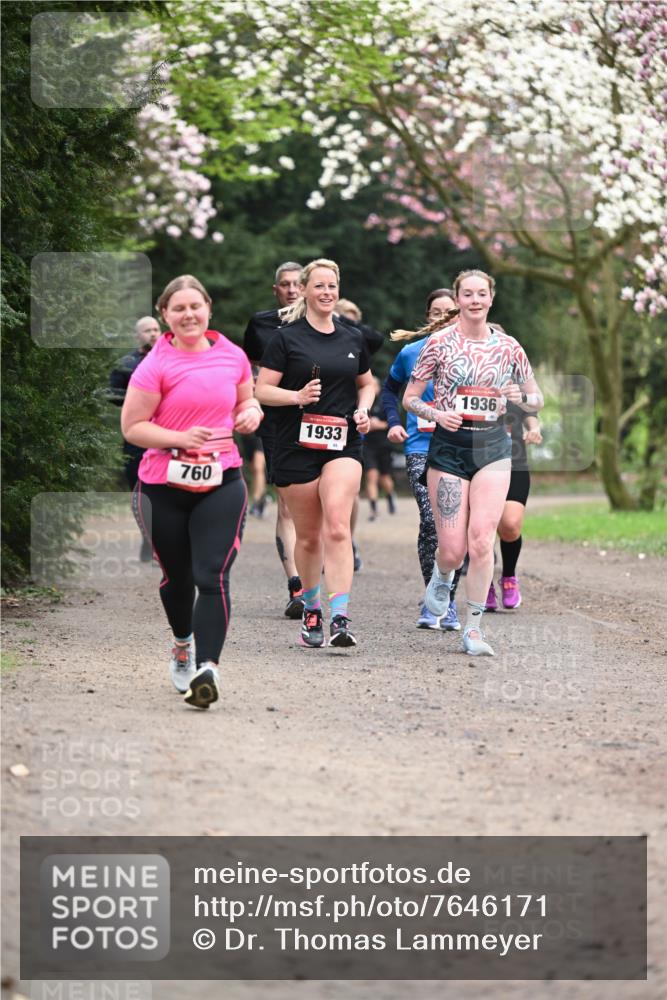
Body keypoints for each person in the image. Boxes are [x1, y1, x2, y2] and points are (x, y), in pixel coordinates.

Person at [121, 275, 262, 708]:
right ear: (166, 315)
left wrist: (251, 412)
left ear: (208, 308)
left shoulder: (232, 355)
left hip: (221, 481)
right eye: (178, 308)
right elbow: (133, 428)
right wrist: (178, 437)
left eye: (194, 306)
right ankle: (182, 643)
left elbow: (245, 401)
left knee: (213, 575)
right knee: (177, 580)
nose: (188, 315)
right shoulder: (155, 364)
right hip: (163, 487)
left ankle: (207, 669)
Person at [403, 269, 543, 657]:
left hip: (494, 448)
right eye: (468, 294)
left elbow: (536, 400)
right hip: (448, 448)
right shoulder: (439, 343)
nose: (476, 300)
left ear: (491, 299)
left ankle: (475, 629)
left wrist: (520, 396)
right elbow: (410, 397)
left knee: (481, 540)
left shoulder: (509, 347)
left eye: (482, 293)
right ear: (458, 299)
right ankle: (442, 576)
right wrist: (434, 413)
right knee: (452, 550)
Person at [255, 259, 374, 648]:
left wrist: (363, 408)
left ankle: (339, 616)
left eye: (332, 286)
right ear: (304, 290)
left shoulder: (352, 337)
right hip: (295, 444)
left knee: (337, 526)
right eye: (319, 286)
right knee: (308, 537)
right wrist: (297, 396)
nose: (327, 292)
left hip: (342, 443)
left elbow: (367, 383)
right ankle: (311, 609)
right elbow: (261, 390)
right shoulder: (285, 339)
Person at [382, 288, 462, 630]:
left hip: (462, 448)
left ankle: (447, 596)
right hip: (421, 446)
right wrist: (395, 423)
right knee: (432, 521)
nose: (442, 317)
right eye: (436, 312)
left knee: (458, 528)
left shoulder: (472, 354)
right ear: (427, 317)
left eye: (449, 311)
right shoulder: (411, 352)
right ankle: (437, 602)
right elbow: (389, 390)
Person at [243, 262, 305, 617]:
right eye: (285, 285)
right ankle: (296, 586)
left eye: (298, 284)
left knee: (320, 504)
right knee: (286, 503)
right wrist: (253, 397)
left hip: (320, 419)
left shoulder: (328, 322)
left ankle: (318, 564)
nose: (292, 290)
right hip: (277, 421)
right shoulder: (261, 324)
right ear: (276, 289)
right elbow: (249, 366)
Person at [335, 297, 386, 570]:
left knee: (349, 489)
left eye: (352, 316)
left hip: (354, 419)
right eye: (342, 314)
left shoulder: (358, 341)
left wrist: (345, 320)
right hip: (321, 415)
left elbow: (377, 338)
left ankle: (347, 539)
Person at [108, 315, 160, 560]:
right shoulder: (126, 364)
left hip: (166, 436)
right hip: (136, 438)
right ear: (137, 336)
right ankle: (147, 537)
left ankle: (162, 543)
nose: (152, 333)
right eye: (147, 330)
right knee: (139, 492)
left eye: (156, 329)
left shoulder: (171, 358)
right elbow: (114, 396)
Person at [485, 404, 543, 611]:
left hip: (514, 463)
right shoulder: (470, 374)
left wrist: (534, 428)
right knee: (484, 528)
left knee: (510, 525)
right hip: (478, 462)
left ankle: (508, 575)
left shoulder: (515, 378)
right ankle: (484, 583)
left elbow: (530, 409)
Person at [363, 376, 397, 520]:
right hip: (368, 445)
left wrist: (379, 425)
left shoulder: (385, 403)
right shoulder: (363, 404)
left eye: (373, 386)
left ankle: (389, 496)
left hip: (384, 444)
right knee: (371, 476)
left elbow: (393, 424)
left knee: (384, 477)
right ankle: (373, 509)